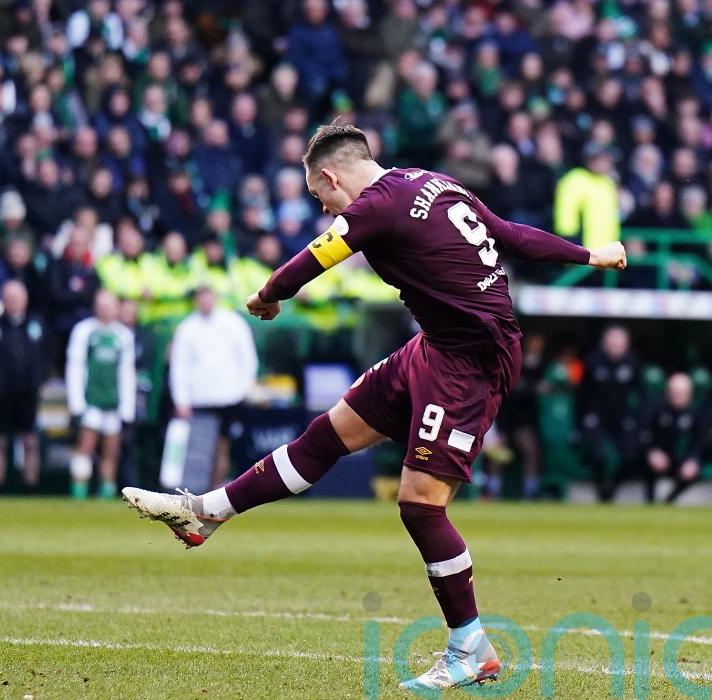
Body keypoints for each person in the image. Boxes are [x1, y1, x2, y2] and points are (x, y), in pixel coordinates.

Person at [122, 123, 626, 691]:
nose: (325, 207)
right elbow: (510, 235)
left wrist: (267, 295)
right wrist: (590, 255)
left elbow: (316, 257)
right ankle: (206, 513)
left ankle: (471, 648)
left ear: (331, 177)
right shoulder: (434, 182)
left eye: (319, 195)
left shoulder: (377, 204)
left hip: (471, 364)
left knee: (420, 506)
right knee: (326, 435)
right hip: (434, 347)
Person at [168, 285, 258, 487]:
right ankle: (195, 489)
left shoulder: (234, 323)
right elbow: (179, 366)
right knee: (199, 448)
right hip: (199, 399)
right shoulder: (186, 328)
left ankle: (214, 491)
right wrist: (181, 399)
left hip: (229, 398)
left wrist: (244, 389)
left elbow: (247, 359)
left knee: (222, 446)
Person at [65, 289, 135, 500]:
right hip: (91, 400)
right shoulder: (84, 331)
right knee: (85, 446)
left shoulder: (123, 335)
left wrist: (127, 407)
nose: (105, 310)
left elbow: (127, 372)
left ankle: (107, 489)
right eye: (102, 306)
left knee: (111, 450)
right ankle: (79, 489)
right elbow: (75, 366)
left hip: (113, 402)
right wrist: (77, 402)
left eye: (110, 306)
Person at [0, 280, 48, 492]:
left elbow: (46, 357)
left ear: (25, 300)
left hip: (28, 395)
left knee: (30, 441)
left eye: (17, 298)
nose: (13, 302)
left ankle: (30, 487)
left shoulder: (37, 326)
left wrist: (37, 382)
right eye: (9, 298)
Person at [577, 325, 642, 502]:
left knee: (630, 456)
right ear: (604, 344)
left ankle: (612, 487)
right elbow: (582, 394)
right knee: (598, 455)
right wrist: (581, 420)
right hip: (597, 416)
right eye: (611, 344)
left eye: (619, 345)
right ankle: (601, 488)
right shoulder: (593, 361)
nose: (615, 348)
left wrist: (635, 418)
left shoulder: (633, 362)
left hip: (622, 417)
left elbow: (640, 393)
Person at [641, 373, 709, 505]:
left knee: (694, 469)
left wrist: (694, 460)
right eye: (675, 392)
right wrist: (652, 451)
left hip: (682, 459)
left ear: (690, 394)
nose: (678, 396)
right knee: (644, 461)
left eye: (682, 393)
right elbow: (644, 431)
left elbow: (701, 440)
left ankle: (669, 501)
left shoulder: (697, 412)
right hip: (660, 456)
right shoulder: (656, 407)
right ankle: (650, 501)